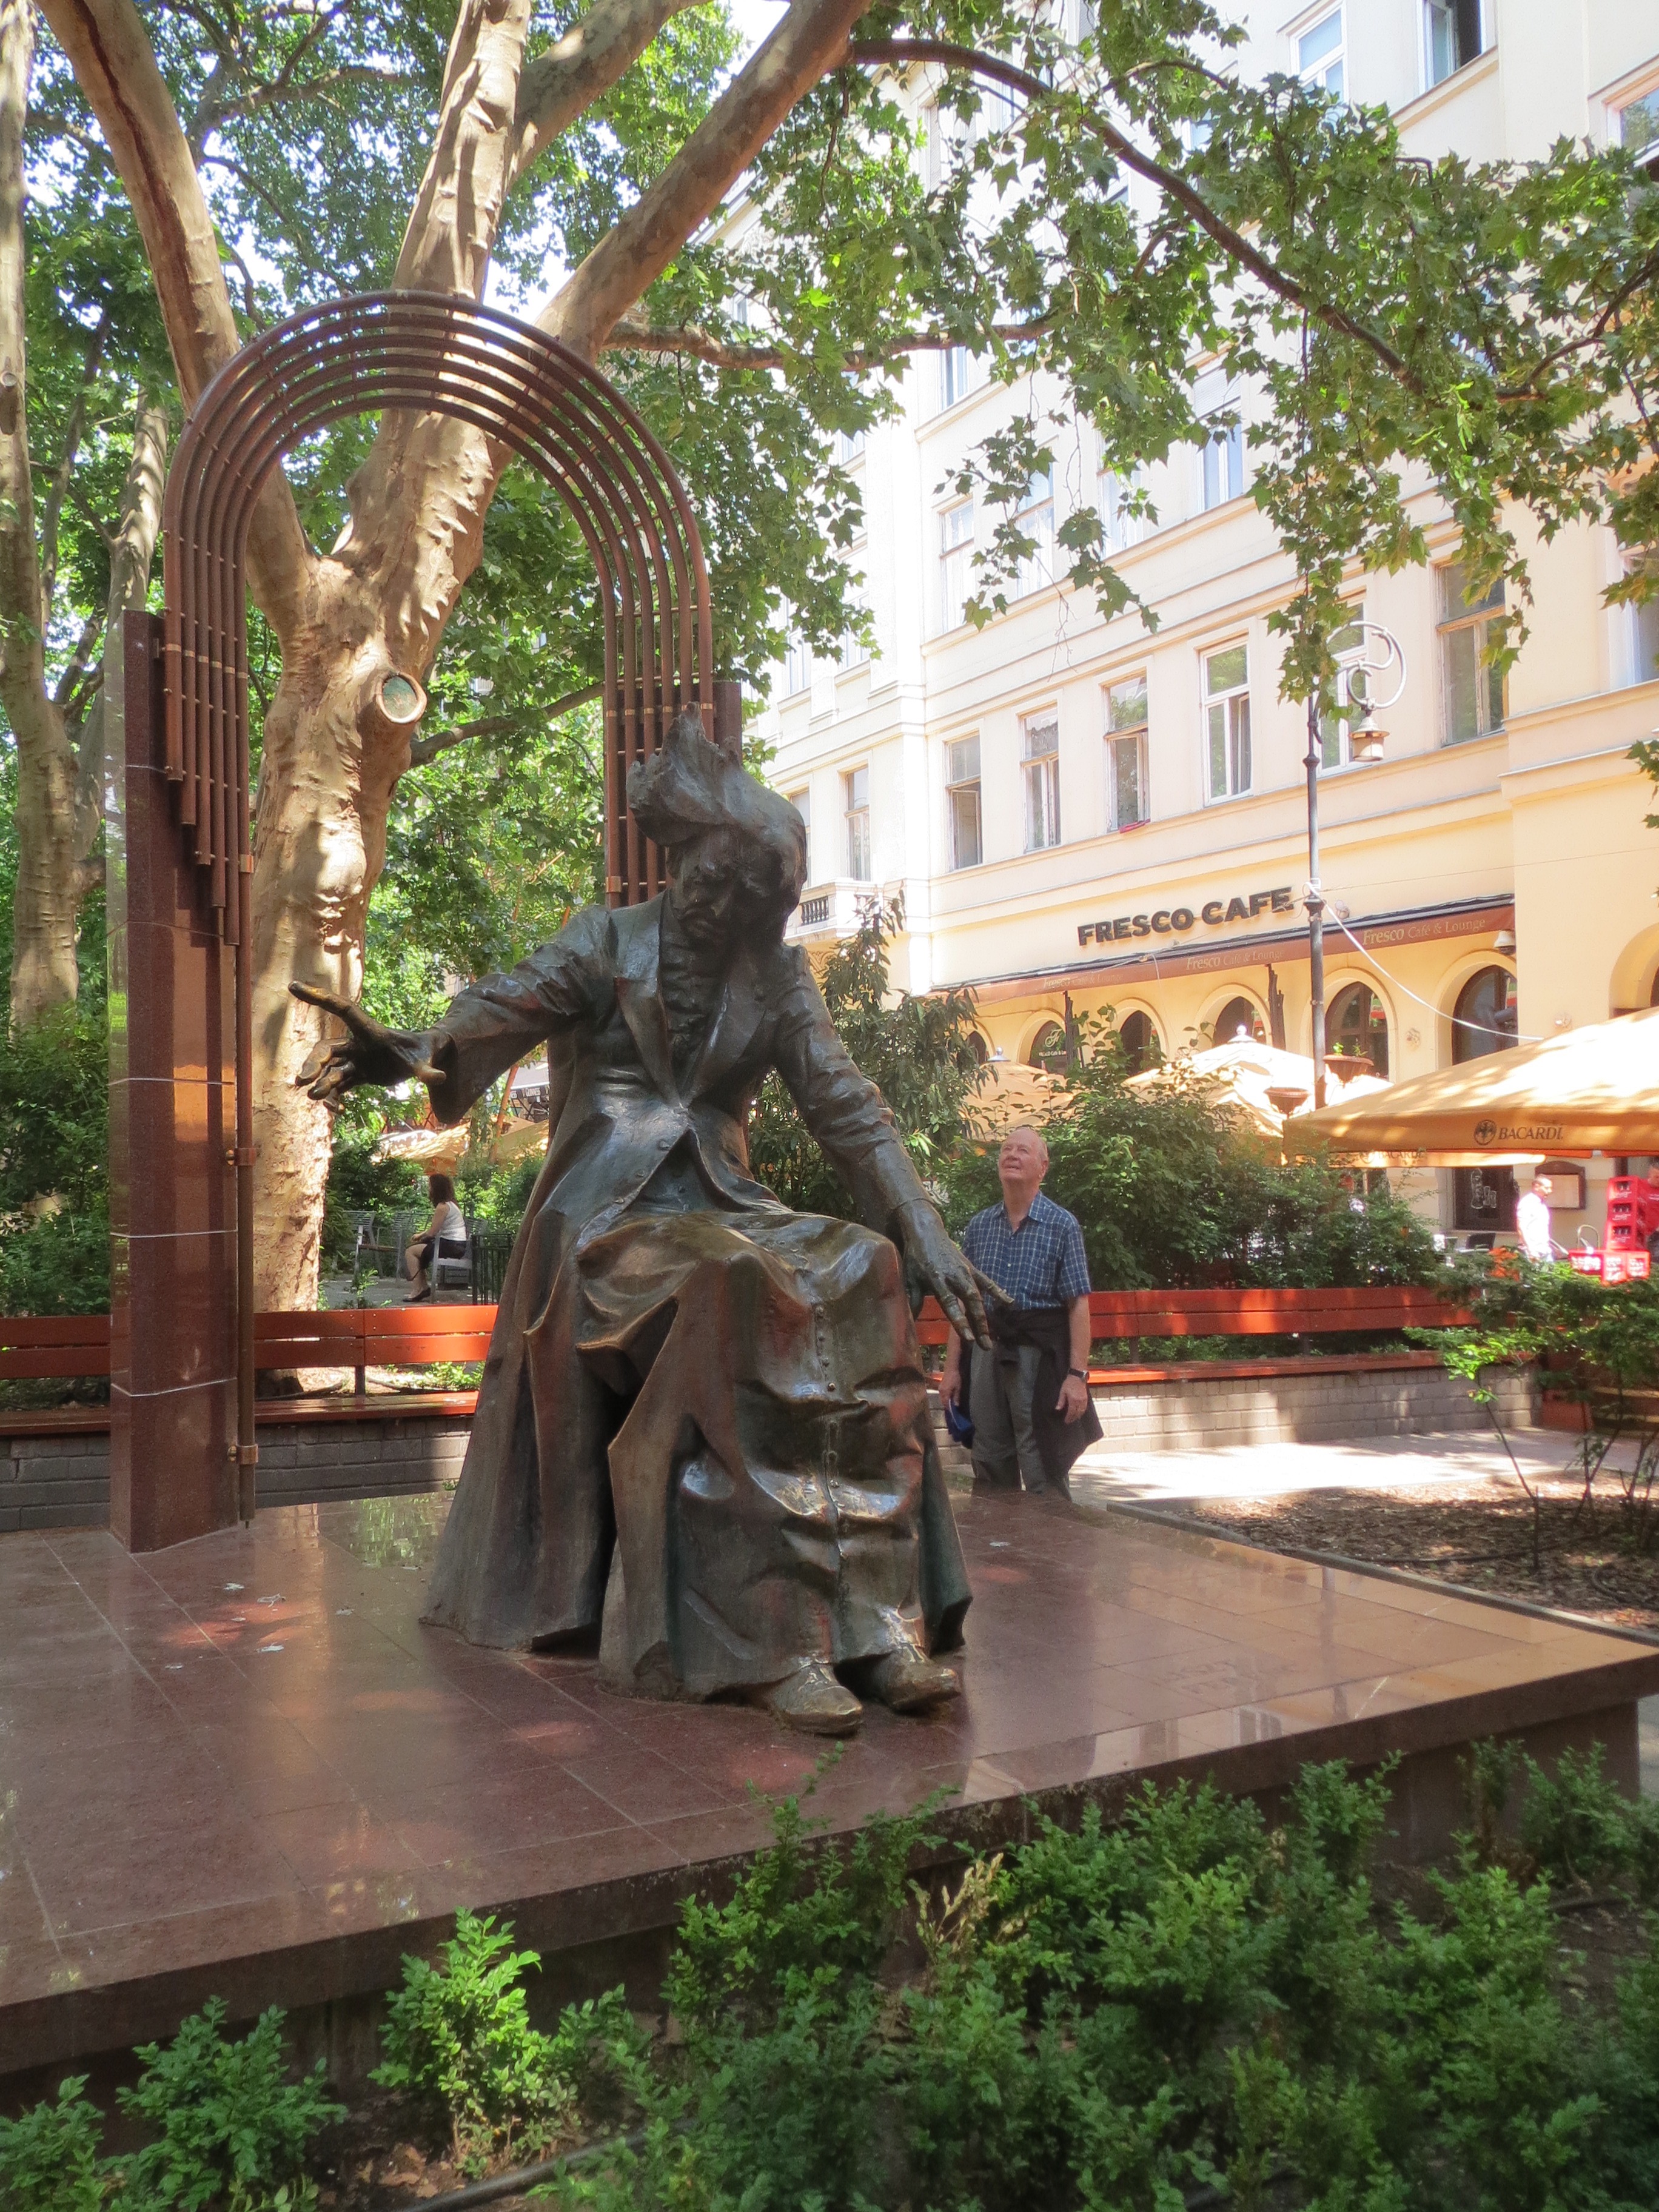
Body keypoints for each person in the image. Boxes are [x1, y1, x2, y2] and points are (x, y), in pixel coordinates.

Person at [291, 714, 988, 1738]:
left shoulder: (777, 977)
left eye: (744, 891)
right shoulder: (606, 941)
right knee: (731, 1284)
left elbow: (845, 1104)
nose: (718, 899)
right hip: (606, 1217)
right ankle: (774, 1640)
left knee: (868, 1264)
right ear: (686, 851)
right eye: (711, 872)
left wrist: (921, 1226)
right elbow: (509, 1000)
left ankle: (877, 1622)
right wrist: (419, 1046)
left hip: (724, 1206)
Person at [940, 1124, 1101, 1500]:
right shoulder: (980, 1226)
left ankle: (1054, 1536)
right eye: (1006, 1149)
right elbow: (963, 1301)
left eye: (1023, 1150)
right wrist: (952, 1369)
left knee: (1042, 1461)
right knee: (989, 1458)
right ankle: (997, 1536)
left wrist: (1077, 1376)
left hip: (1039, 1357)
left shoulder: (1062, 1225)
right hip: (986, 1352)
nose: (1011, 1155)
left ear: (1043, 1167)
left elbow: (1078, 1305)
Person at [404, 1173, 466, 1302]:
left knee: (410, 1252)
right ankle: (422, 1287)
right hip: (457, 1245)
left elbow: (432, 1232)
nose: (429, 1189)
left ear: (437, 1188)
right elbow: (436, 1228)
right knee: (418, 1249)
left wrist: (422, 1237)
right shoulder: (452, 1204)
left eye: (430, 1186)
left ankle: (419, 1288)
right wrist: (421, 1235)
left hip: (450, 1246)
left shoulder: (442, 1207)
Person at [1516, 1173, 1555, 1264]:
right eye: (1547, 1188)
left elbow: (1540, 1229)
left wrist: (1552, 1247)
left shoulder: (1542, 1204)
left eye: (1551, 1188)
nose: (1550, 1191)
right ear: (1537, 1187)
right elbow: (1521, 1228)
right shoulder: (1527, 1203)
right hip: (1532, 1252)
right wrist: (1531, 1250)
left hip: (1544, 1250)